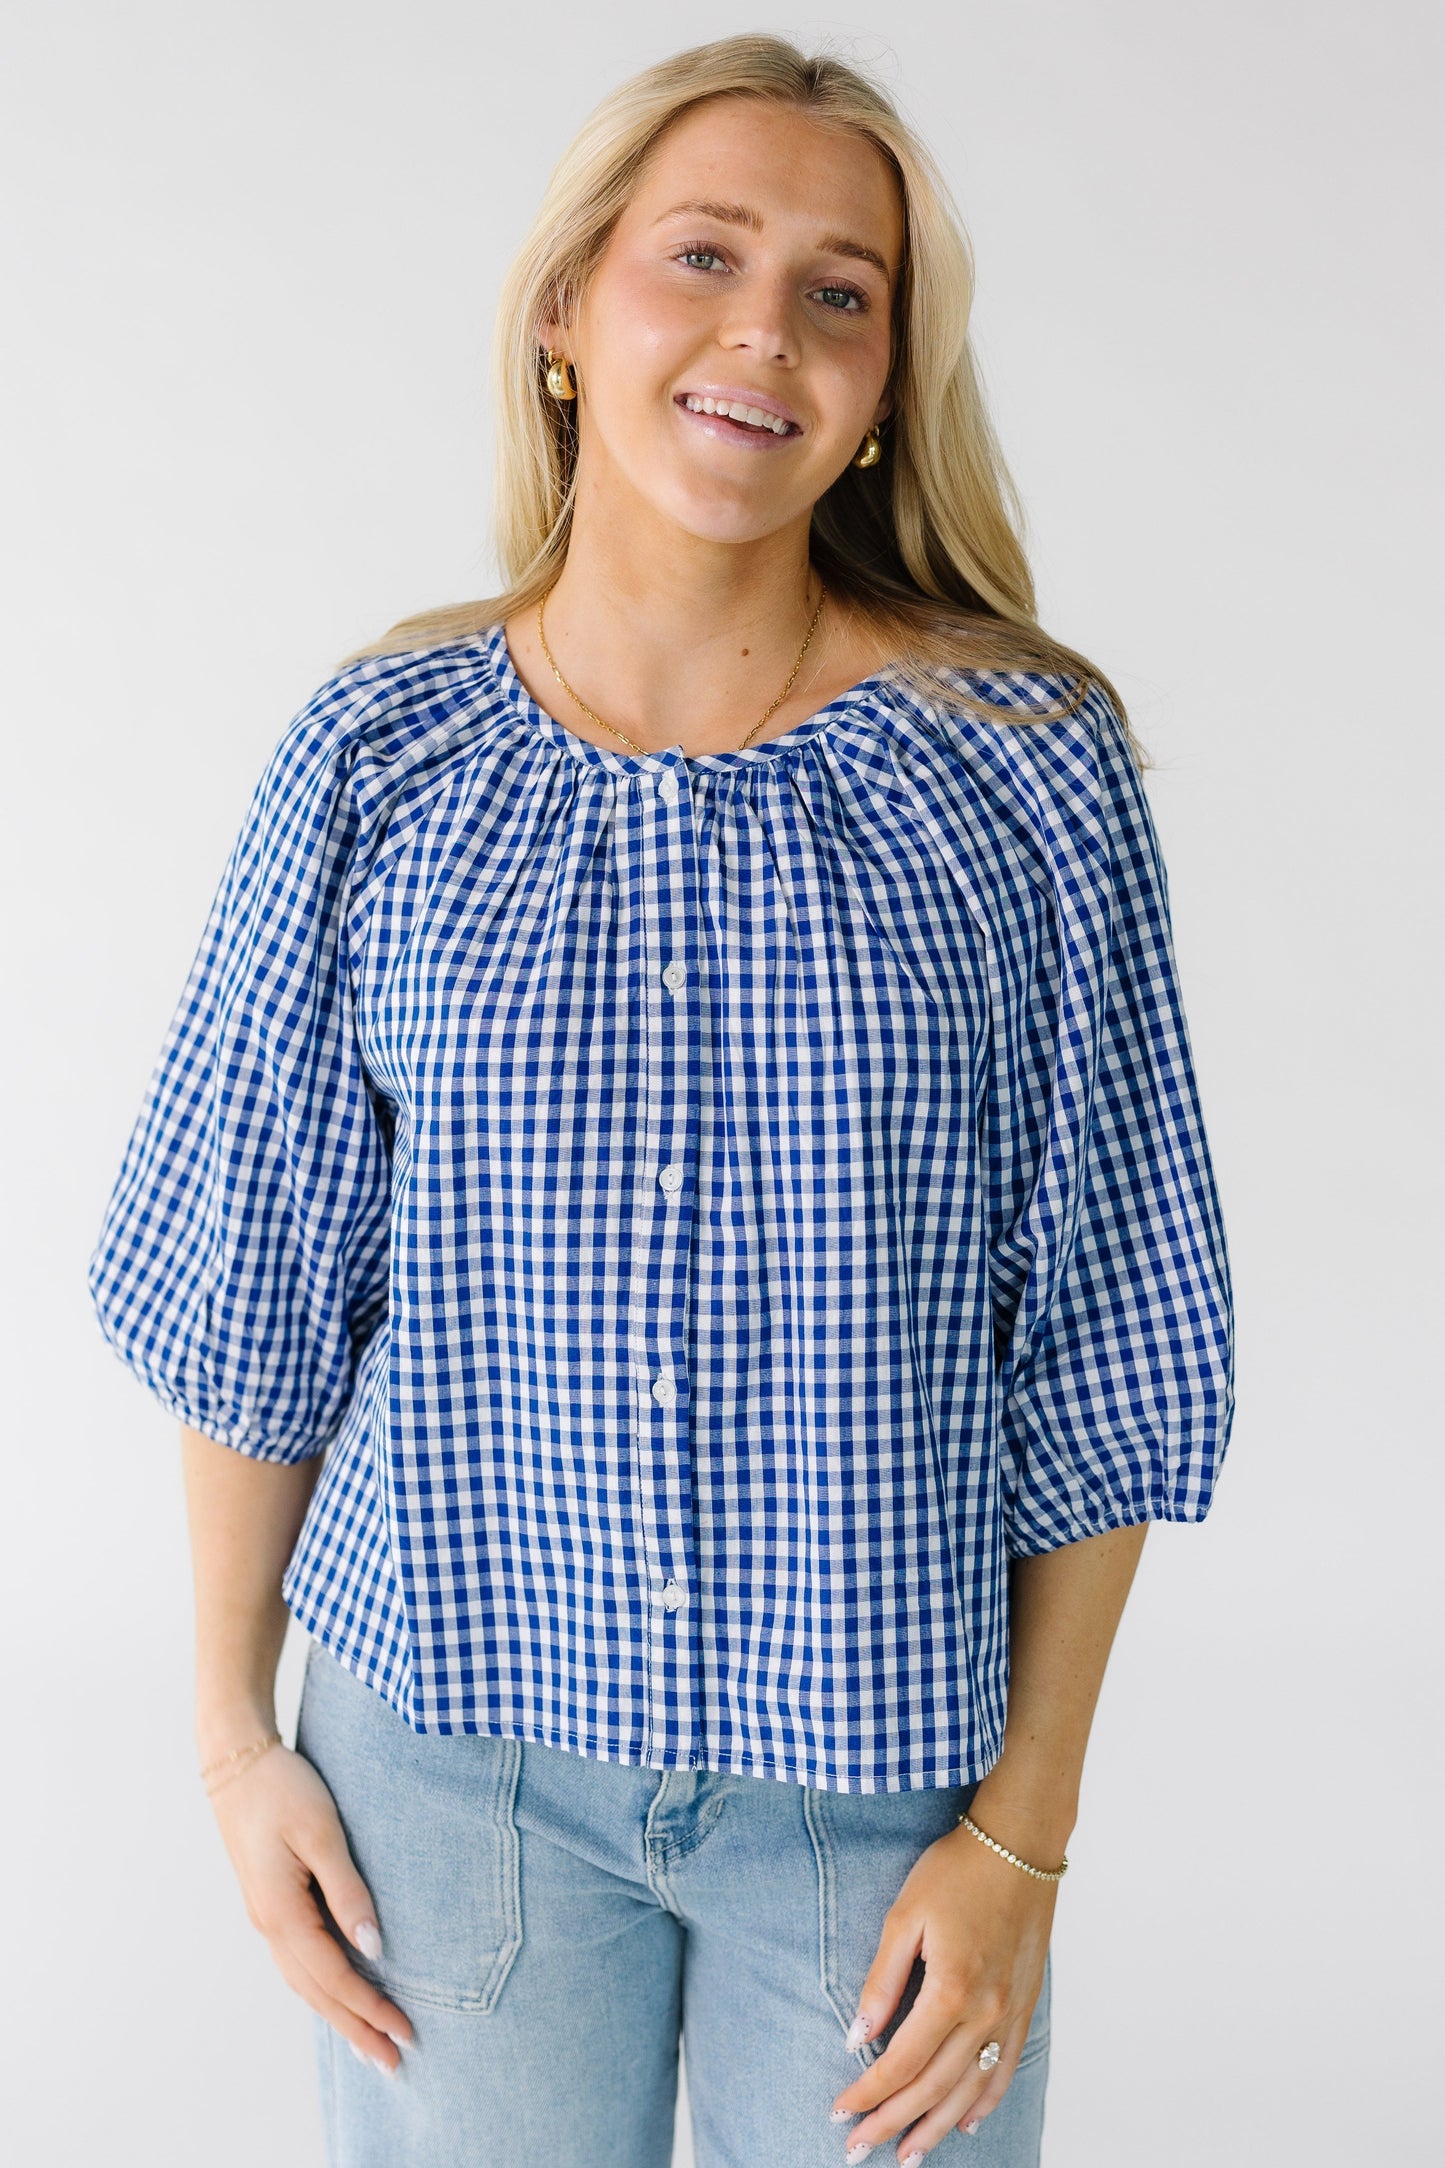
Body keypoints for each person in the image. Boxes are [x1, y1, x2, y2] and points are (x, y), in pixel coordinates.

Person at [88, 33, 1234, 2168]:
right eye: (700, 253)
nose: (763, 331)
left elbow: (1111, 1336)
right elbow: (254, 1285)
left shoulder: (1022, 771)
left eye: (840, 291)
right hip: (447, 1790)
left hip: (888, 1804)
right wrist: (239, 1748)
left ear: (890, 380)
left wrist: (1029, 1840)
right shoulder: (378, 759)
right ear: (564, 310)